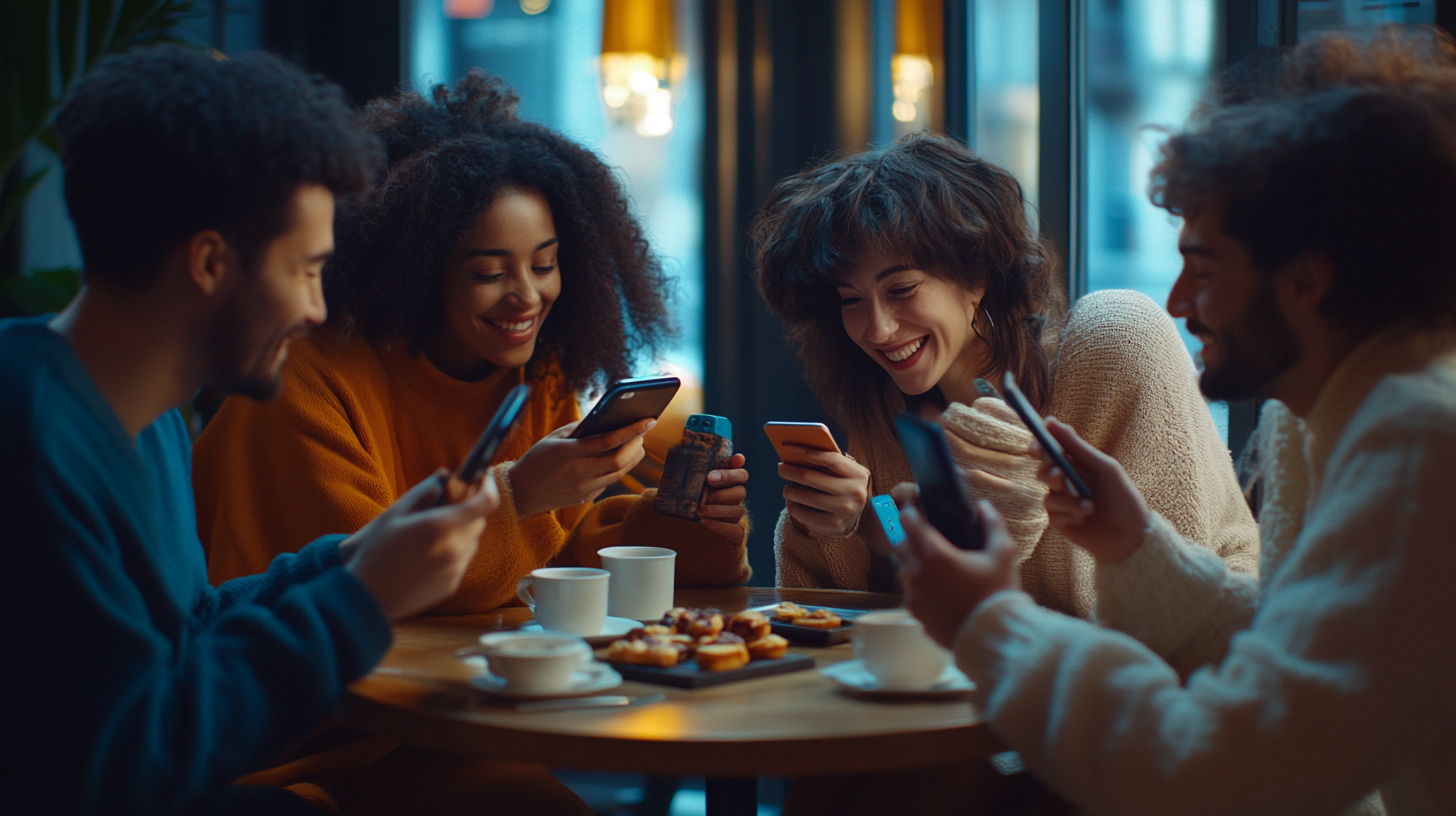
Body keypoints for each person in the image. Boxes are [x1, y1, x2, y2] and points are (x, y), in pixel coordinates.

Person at [898, 31, 1456, 816]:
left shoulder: (1419, 446)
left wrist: (994, 625)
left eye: (1206, 264)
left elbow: (1224, 772)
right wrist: (1135, 547)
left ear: (1306, 281)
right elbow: (1292, 668)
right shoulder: (1330, 419)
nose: (1176, 301)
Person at [0, 46, 503, 815]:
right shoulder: (30, 441)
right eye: (305, 269)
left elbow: (187, 630)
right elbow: (129, 763)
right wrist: (363, 598)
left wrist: (353, 554)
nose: (316, 309)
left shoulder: (149, 416)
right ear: (209, 262)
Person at [194, 72, 751, 611]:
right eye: (489, 273)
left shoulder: (538, 375)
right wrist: (518, 494)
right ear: (414, 271)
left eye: (545, 264)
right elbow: (373, 586)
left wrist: (688, 522)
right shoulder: (302, 380)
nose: (527, 297)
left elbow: (561, 556)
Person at [751, 132, 1258, 617]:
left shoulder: (1116, 343)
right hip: (979, 687)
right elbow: (882, 600)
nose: (879, 329)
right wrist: (855, 522)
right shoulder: (887, 408)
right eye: (852, 300)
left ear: (978, 277)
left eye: (902, 289)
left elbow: (1177, 596)